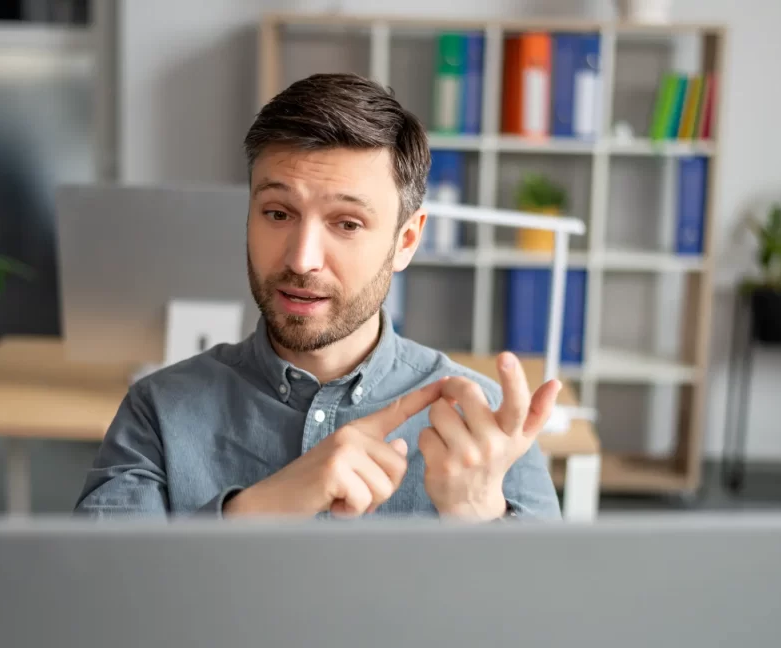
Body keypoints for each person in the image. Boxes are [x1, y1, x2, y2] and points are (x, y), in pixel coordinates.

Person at [75, 73, 562, 521]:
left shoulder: (488, 430)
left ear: (406, 241)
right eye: (278, 213)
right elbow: (95, 603)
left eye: (346, 224)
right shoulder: (158, 412)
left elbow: (555, 614)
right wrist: (260, 510)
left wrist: (481, 519)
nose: (302, 259)